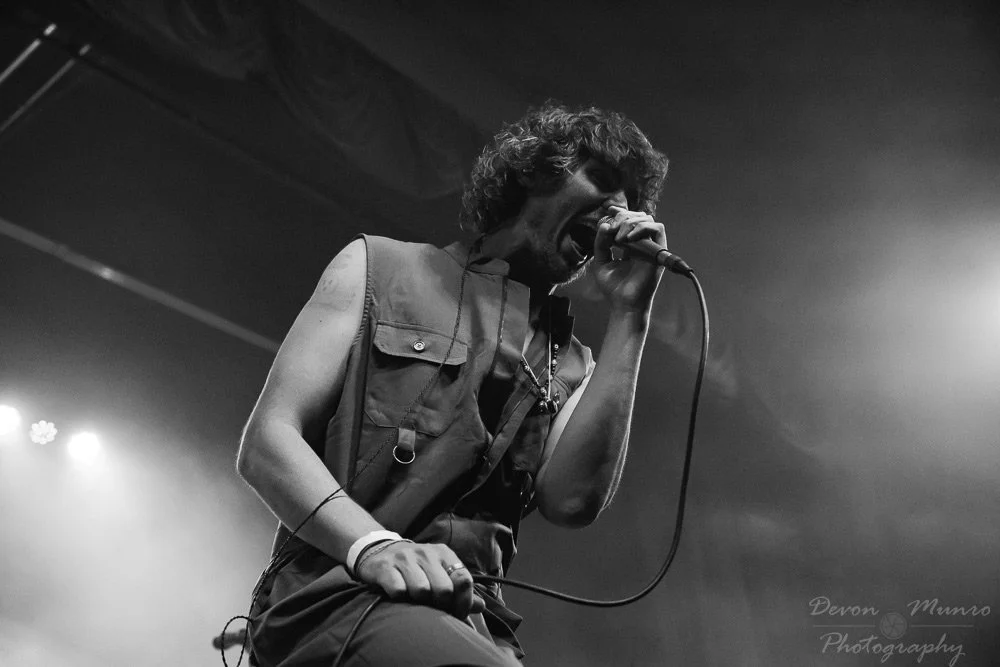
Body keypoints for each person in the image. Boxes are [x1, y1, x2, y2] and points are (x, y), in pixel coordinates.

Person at [236, 101, 670, 666]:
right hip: (340, 595)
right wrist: (373, 547)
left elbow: (572, 501)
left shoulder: (573, 365)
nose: (620, 209)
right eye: (604, 179)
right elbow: (266, 443)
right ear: (536, 171)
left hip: (475, 626)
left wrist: (632, 313)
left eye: (631, 199)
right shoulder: (378, 267)